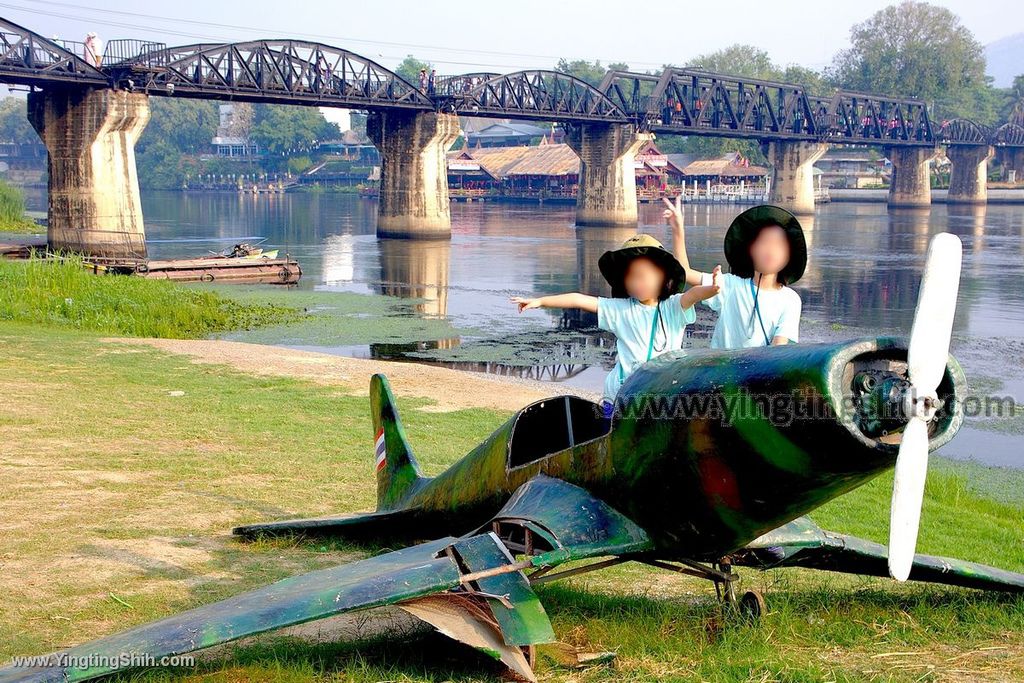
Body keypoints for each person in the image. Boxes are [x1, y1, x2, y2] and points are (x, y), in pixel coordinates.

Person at [512, 234, 720, 417]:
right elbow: (578, 299)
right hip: (620, 394)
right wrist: (540, 301)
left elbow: (692, 295)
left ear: (663, 277)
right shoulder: (620, 309)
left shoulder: (673, 308)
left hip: (660, 395)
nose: (637, 282)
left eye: (643, 275)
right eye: (631, 277)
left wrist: (711, 289)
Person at [662, 196, 805, 349]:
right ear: (750, 249)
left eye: (779, 245)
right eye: (764, 242)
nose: (770, 250)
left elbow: (779, 348)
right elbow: (684, 272)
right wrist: (678, 231)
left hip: (759, 372)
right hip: (721, 370)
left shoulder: (790, 300)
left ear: (789, 255)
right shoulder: (730, 285)